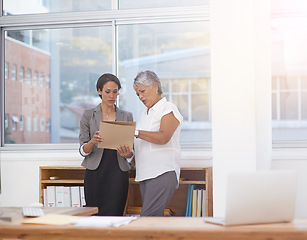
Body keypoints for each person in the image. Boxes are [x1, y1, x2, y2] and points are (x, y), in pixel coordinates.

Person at [118, 70, 183, 216]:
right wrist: (128, 155)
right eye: (137, 94)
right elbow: (142, 148)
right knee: (153, 222)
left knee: (147, 219)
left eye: (142, 91)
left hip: (162, 172)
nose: (140, 97)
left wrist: (134, 132)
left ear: (155, 87)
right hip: (145, 175)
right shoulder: (144, 115)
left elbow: (163, 137)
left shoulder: (168, 108)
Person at [79, 73, 133, 216]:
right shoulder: (88, 115)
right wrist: (92, 142)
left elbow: (131, 152)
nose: (111, 96)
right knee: (94, 215)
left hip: (118, 172)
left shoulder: (126, 116)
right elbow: (82, 150)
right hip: (95, 172)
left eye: (115, 92)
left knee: (115, 214)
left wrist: (127, 153)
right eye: (107, 92)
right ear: (99, 91)